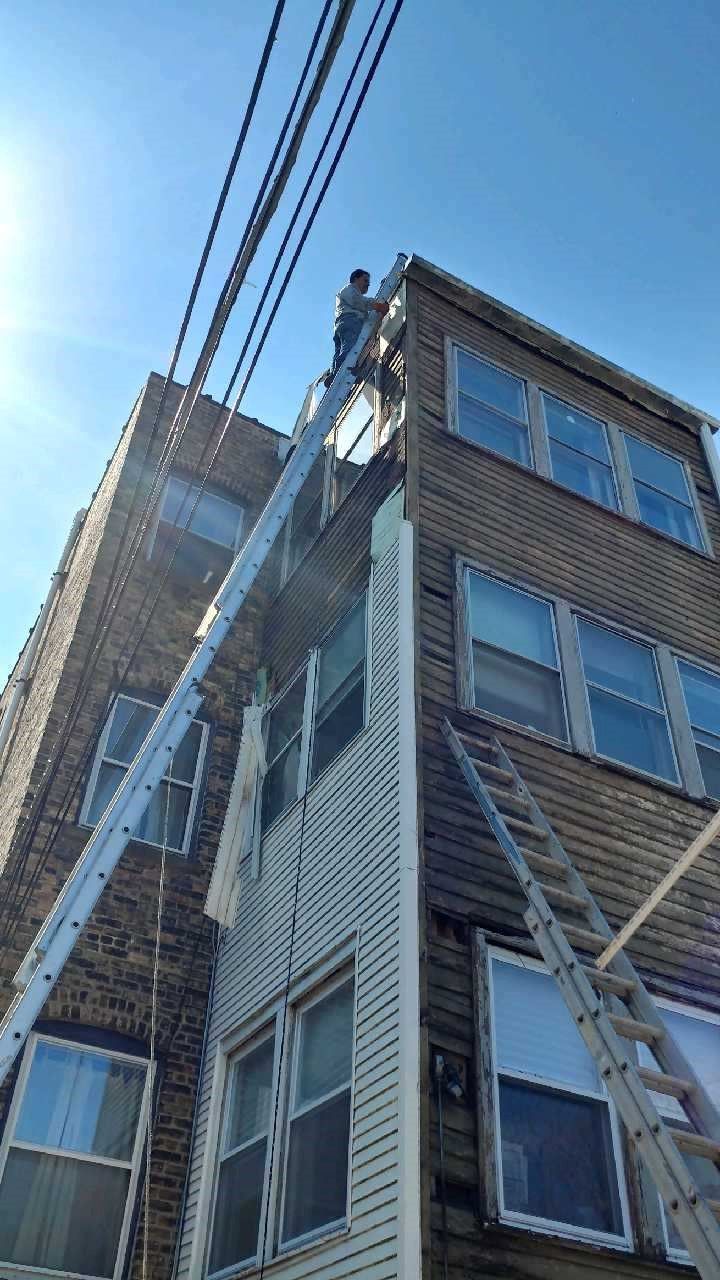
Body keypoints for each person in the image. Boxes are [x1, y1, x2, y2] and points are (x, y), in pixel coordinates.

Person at [324, 269, 389, 387]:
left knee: (339, 351)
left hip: (341, 325)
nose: (368, 284)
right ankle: (344, 372)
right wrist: (377, 305)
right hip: (350, 321)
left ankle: (334, 374)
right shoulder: (350, 290)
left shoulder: (350, 293)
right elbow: (358, 301)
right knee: (349, 347)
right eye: (365, 280)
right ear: (355, 279)